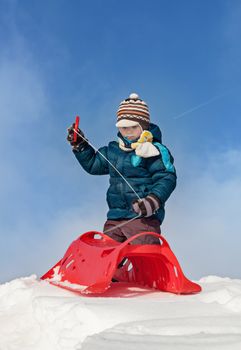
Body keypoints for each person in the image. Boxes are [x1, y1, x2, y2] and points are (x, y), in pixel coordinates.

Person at [67, 93, 176, 245]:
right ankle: (108, 270)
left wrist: (153, 200)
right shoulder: (113, 151)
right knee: (108, 253)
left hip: (142, 219)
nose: (128, 131)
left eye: (133, 127)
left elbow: (166, 177)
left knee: (142, 254)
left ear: (143, 126)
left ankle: (148, 269)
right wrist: (81, 145)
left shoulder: (153, 150)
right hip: (115, 217)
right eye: (124, 128)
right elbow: (93, 165)